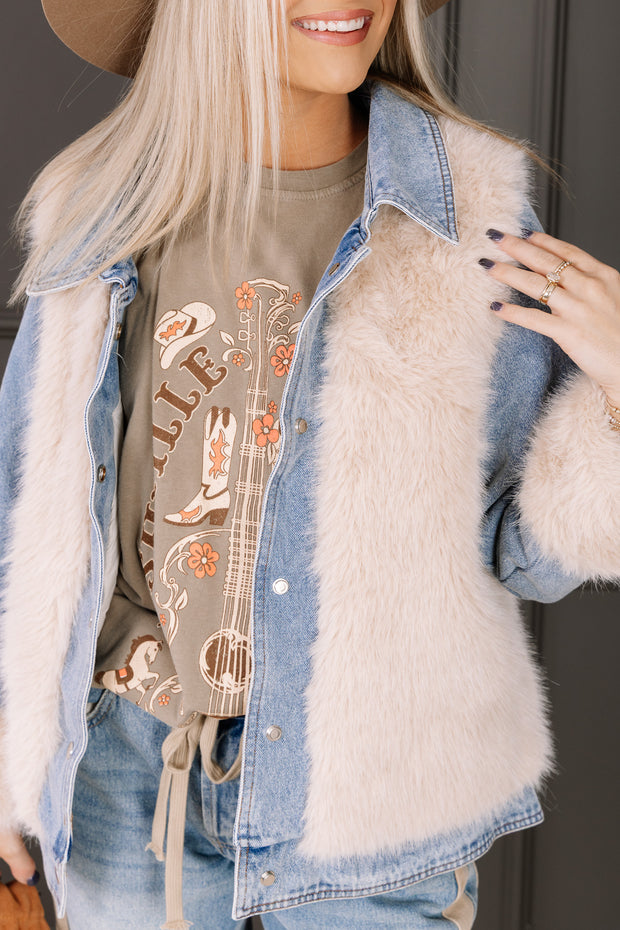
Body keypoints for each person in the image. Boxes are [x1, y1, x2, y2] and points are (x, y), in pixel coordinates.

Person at [1, 0, 619, 927]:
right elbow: (24, 506)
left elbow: (518, 547)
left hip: (370, 795)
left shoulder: (468, 211)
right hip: (125, 781)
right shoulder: (100, 206)